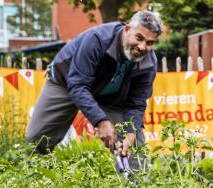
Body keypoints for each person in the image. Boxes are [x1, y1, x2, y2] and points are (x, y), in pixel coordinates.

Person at [26, 11, 163, 157]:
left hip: (110, 95)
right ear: (127, 29)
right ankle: (34, 175)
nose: (142, 47)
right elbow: (77, 85)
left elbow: (136, 103)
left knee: (134, 146)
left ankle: (134, 179)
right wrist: (101, 121)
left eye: (149, 43)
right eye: (139, 38)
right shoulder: (98, 39)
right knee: (36, 138)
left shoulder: (148, 63)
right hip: (67, 82)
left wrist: (131, 135)